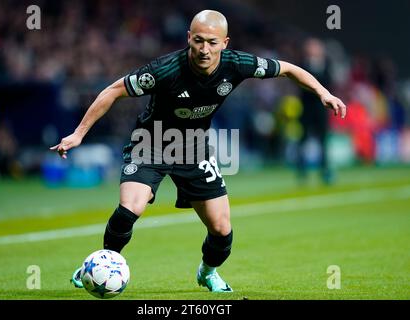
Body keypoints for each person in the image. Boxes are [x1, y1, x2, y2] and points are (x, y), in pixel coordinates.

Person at [51, 10, 346, 292]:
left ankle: (208, 273)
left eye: (213, 42)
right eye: (198, 40)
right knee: (131, 208)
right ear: (188, 37)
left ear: (225, 43)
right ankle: (101, 266)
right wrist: (79, 134)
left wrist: (324, 92)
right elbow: (114, 90)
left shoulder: (238, 64)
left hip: (194, 149)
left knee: (221, 228)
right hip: (151, 143)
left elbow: (289, 69)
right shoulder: (165, 70)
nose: (205, 49)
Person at [296, 38, 334, 184]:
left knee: (323, 141)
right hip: (306, 109)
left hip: (321, 109)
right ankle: (302, 171)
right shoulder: (302, 65)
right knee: (303, 140)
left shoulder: (326, 64)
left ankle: (325, 171)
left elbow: (329, 83)